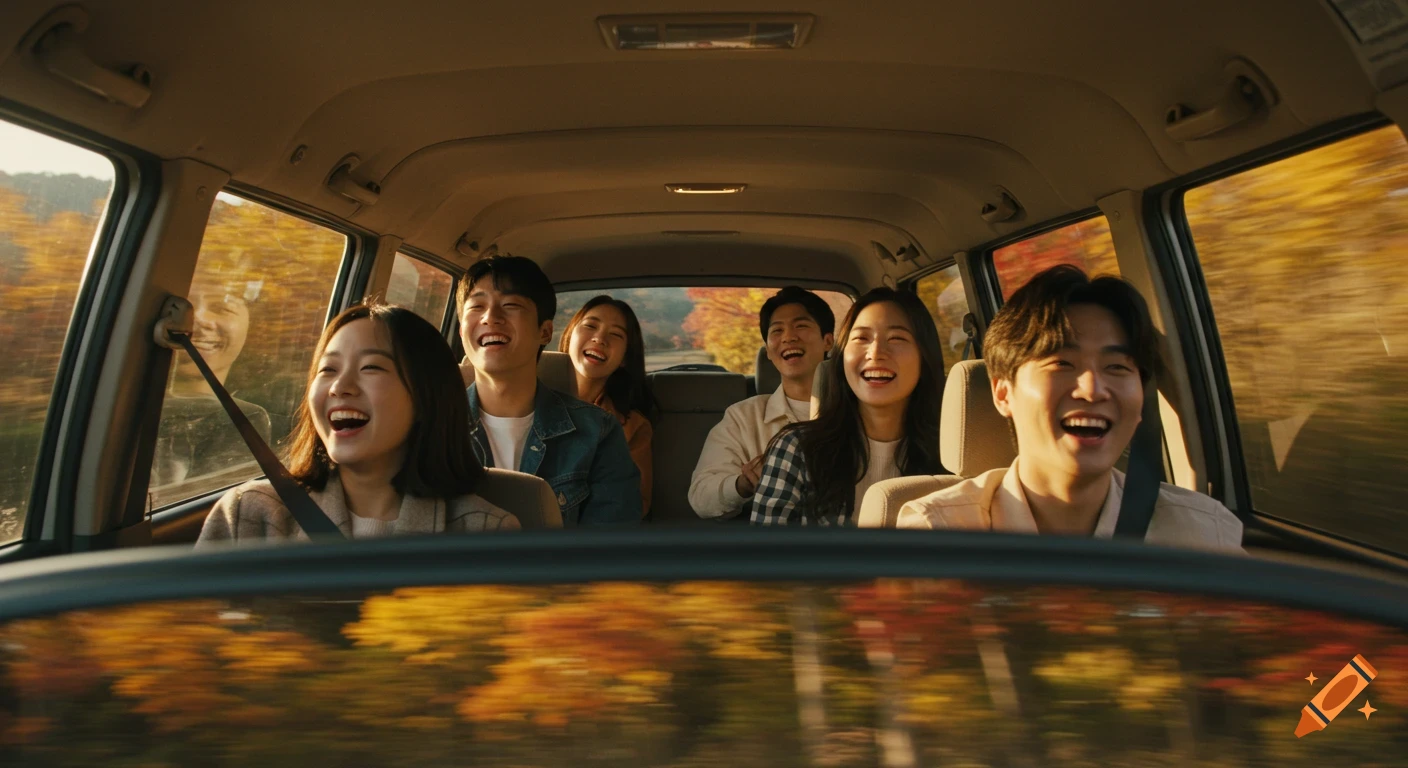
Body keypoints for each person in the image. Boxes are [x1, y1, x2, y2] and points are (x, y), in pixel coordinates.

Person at [896, 265, 1244, 553]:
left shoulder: (1202, 535)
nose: (1092, 390)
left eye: (1117, 367)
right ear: (1003, 393)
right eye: (1062, 363)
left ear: (1141, 402)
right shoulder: (939, 535)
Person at [198, 303, 520, 544]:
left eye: (371, 368)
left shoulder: (485, 534)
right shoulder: (248, 515)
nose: (340, 387)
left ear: (427, 397)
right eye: (328, 370)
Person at [457, 256, 642, 524]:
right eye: (476, 306)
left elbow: (610, 543)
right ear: (461, 330)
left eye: (510, 305)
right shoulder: (428, 427)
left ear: (545, 332)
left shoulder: (597, 433)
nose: (490, 317)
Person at [751, 288, 944, 525]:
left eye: (896, 338)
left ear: (925, 356)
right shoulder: (797, 449)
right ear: (841, 356)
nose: (875, 353)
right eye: (861, 338)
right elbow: (766, 548)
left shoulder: (955, 457)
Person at [689, 286, 836, 520]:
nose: (788, 337)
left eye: (801, 326)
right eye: (777, 330)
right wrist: (742, 484)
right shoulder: (744, 417)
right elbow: (701, 497)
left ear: (827, 341)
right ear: (768, 350)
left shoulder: (860, 410)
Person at [152, 277, 272, 489]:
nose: (199, 318)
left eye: (221, 308)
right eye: (180, 310)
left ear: (251, 325)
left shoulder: (259, 423)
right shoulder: (116, 411)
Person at [559, 295, 656, 516]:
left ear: (625, 358)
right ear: (570, 335)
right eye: (590, 326)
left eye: (616, 334)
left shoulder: (632, 426)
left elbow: (634, 506)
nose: (600, 338)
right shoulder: (525, 397)